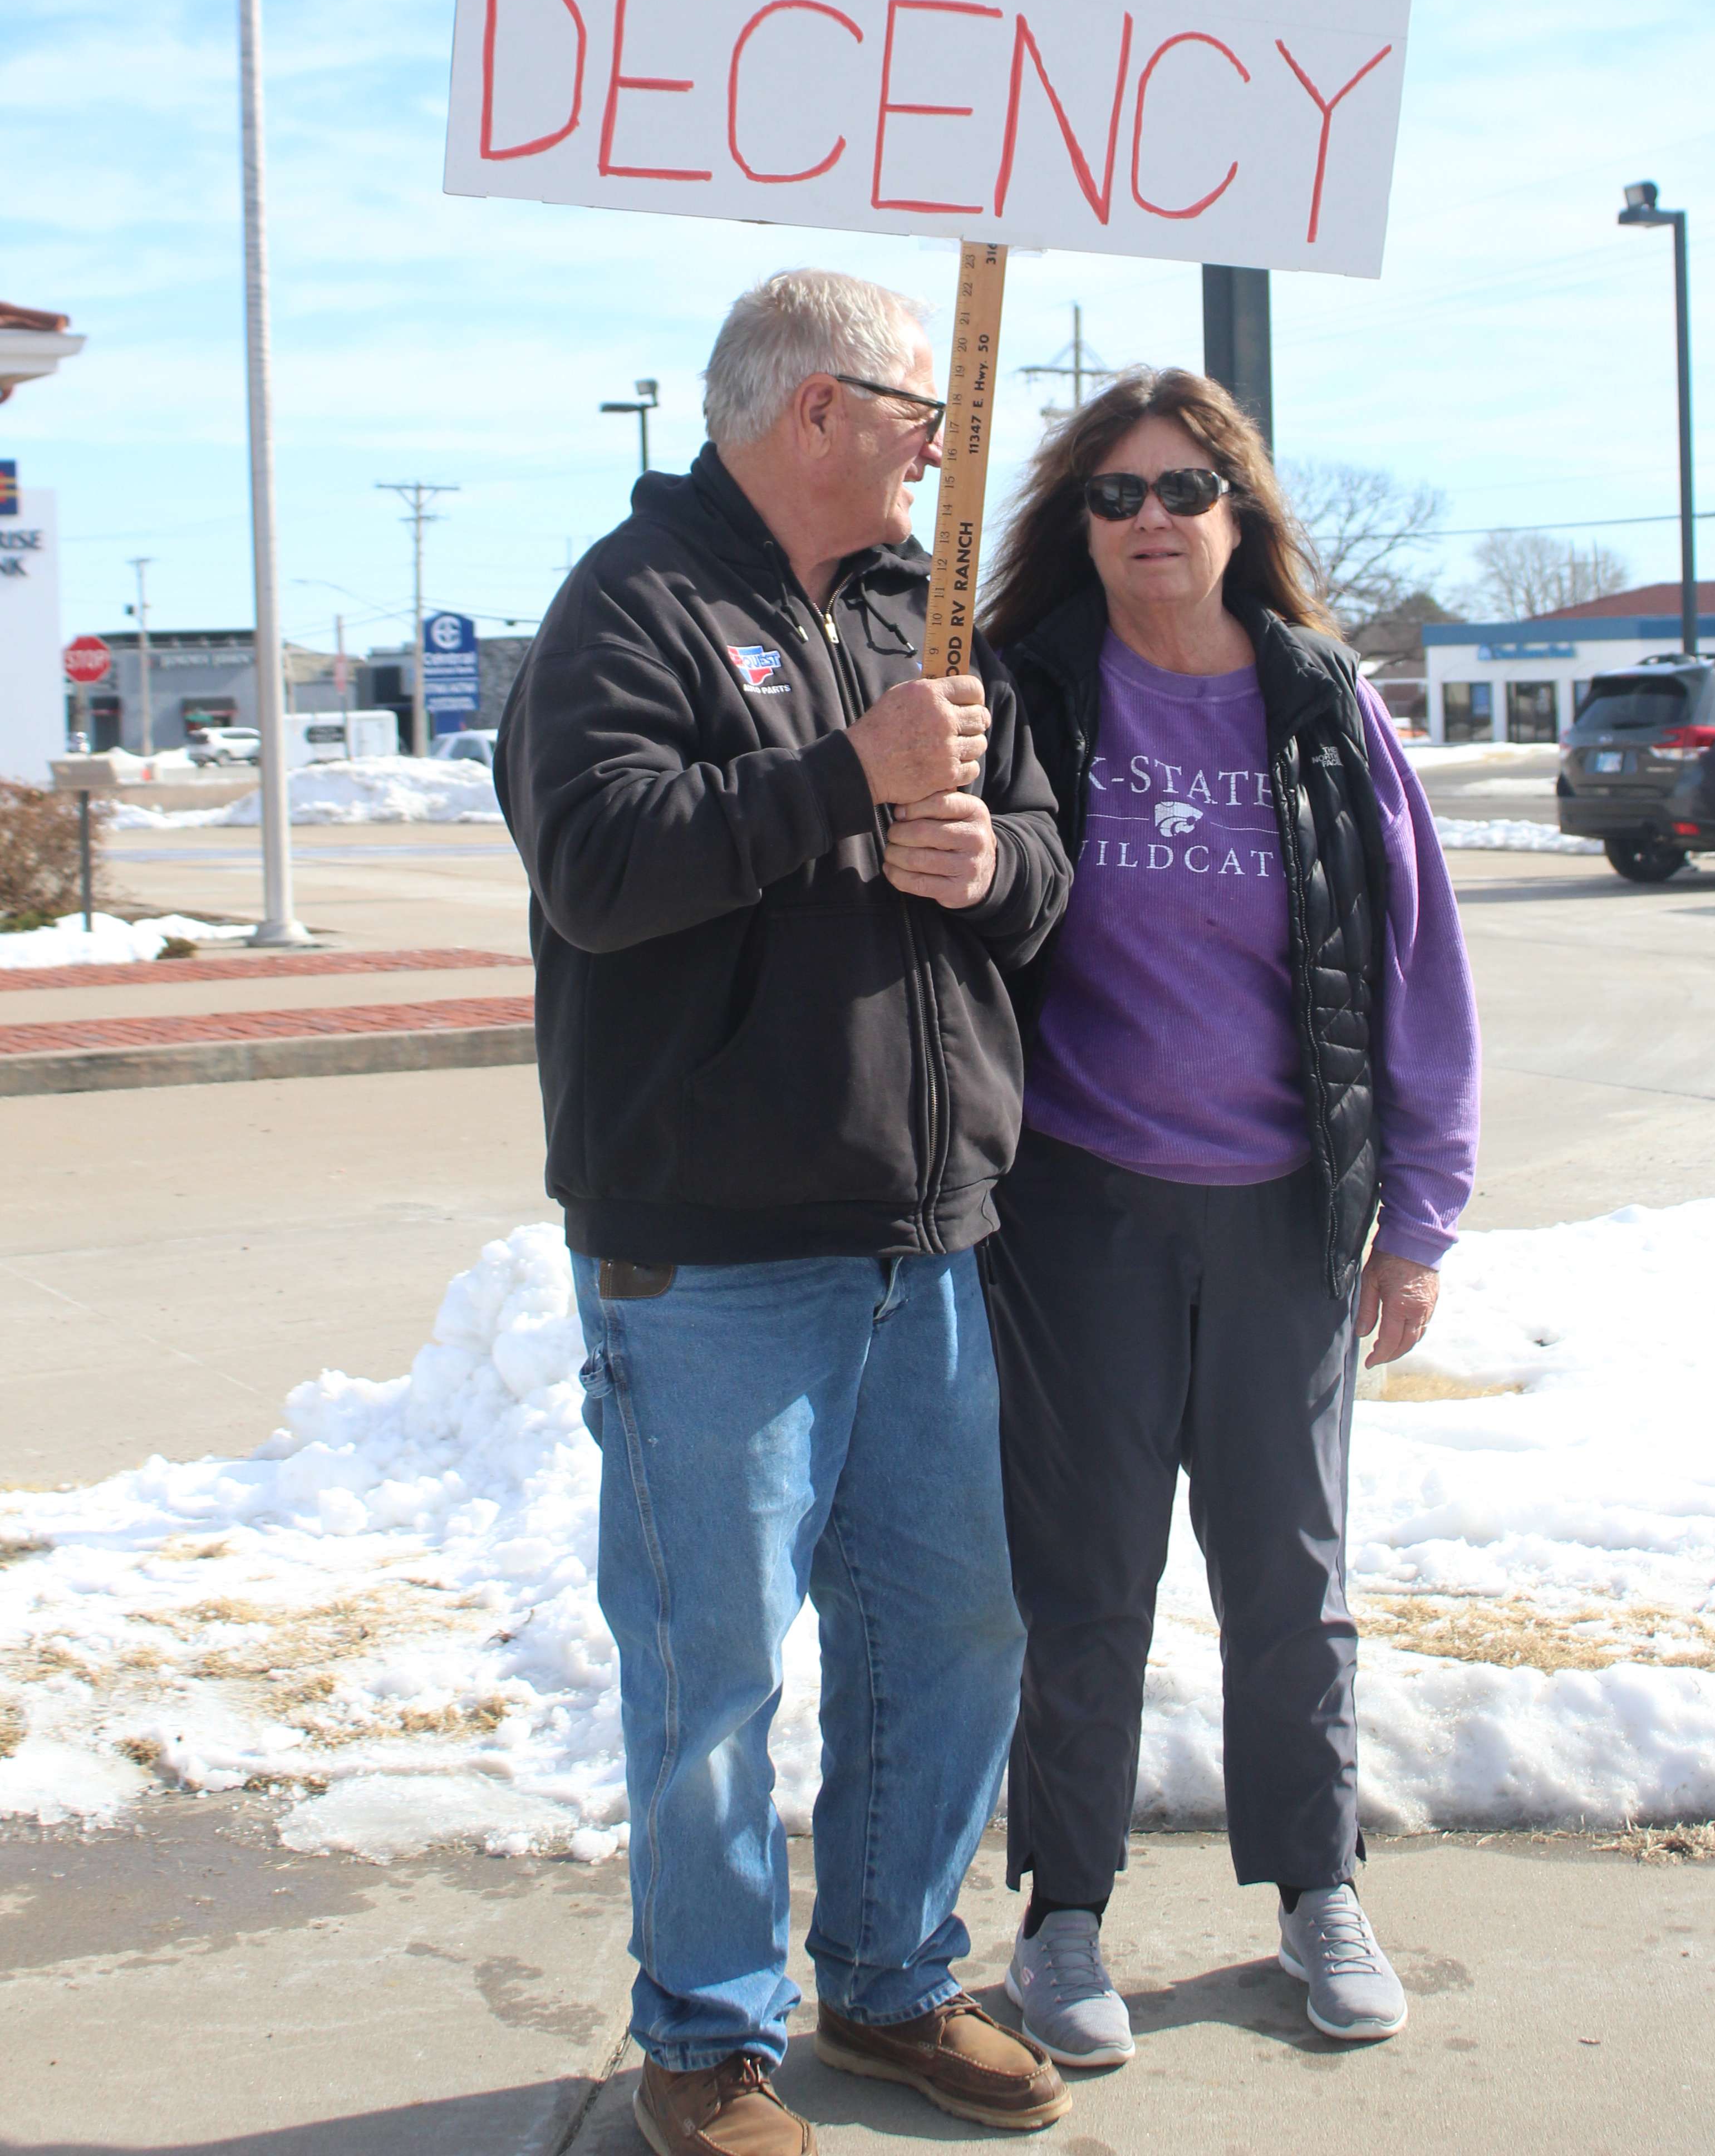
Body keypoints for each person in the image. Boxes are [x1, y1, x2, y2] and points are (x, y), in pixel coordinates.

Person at [495, 271, 1075, 2156]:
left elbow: (1044, 869)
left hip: (927, 1238)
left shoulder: (938, 616)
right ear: (815, 411)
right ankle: (706, 2035)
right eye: (926, 419)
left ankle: (898, 1981)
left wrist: (988, 856)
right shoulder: (636, 603)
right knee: (713, 1665)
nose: (946, 453)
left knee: (953, 1629)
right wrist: (847, 774)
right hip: (713, 1257)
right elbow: (595, 864)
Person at [975, 367, 1480, 2066]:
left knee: (1291, 1578)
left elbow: (1418, 975)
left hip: (1282, 1217)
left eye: (1184, 488)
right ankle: (1061, 1918)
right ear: (1081, 525)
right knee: (1086, 1583)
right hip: (1080, 1220)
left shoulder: (1323, 707)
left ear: (1239, 511)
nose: (1151, 521)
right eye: (1114, 495)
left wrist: (1419, 1214)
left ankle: (1318, 1890)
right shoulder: (1028, 693)